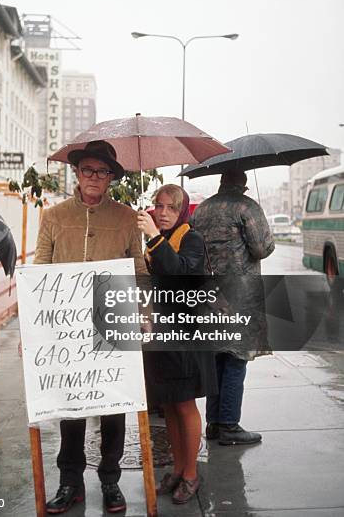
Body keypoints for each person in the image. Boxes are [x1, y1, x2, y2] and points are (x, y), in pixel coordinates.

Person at [34, 140, 147, 515]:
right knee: (71, 406)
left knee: (115, 403)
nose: (94, 177)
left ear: (111, 177)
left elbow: (140, 270)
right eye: (87, 170)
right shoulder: (52, 216)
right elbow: (40, 270)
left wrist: (142, 315)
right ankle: (70, 481)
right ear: (77, 174)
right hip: (66, 328)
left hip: (113, 322)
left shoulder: (128, 217)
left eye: (102, 171)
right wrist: (34, 331)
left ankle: (111, 479)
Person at [193, 169, 275, 446]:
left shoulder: (202, 209)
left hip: (209, 296)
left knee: (216, 359)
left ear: (221, 182)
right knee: (236, 359)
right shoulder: (246, 207)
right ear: (243, 185)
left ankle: (214, 424)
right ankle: (229, 425)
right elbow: (261, 249)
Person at [137, 184, 207, 504]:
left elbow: (180, 274)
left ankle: (191, 473)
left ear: (182, 212)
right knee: (167, 404)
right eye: (159, 206)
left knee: (184, 404)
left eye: (171, 208)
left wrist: (153, 238)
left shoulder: (191, 238)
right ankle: (178, 468)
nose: (162, 213)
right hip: (160, 331)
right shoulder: (159, 241)